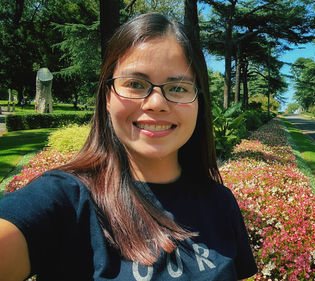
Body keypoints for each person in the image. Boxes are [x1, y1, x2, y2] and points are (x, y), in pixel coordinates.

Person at [0, 13, 257, 281]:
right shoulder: (66, 200)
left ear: (198, 102)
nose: (156, 103)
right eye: (135, 84)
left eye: (178, 87)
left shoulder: (220, 203)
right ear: (108, 97)